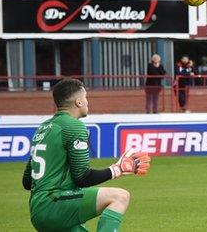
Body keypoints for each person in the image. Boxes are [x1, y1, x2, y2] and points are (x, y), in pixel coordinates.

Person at [21, 78, 151, 231]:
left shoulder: (42, 128)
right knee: (120, 197)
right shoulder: (74, 127)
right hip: (54, 204)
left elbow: (27, 182)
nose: (87, 102)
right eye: (85, 97)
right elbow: (82, 177)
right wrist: (117, 169)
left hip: (38, 208)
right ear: (78, 102)